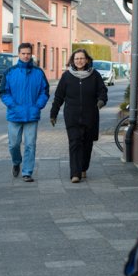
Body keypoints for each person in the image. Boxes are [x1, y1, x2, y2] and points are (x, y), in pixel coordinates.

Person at [49, 49, 108, 183]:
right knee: (74, 143)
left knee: (87, 144)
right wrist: (54, 113)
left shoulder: (94, 75)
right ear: (72, 60)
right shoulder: (67, 76)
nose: (79, 61)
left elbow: (102, 91)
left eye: (82, 58)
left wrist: (101, 101)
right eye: (76, 59)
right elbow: (59, 96)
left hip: (90, 115)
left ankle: (83, 168)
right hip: (72, 116)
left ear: (87, 60)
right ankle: (75, 173)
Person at [0, 42, 50, 182]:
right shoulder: (10, 72)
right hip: (14, 115)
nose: (26, 56)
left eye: (28, 53)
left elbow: (45, 92)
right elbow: (3, 92)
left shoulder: (38, 73)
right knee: (13, 144)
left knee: (30, 144)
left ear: (31, 54)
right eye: (23, 53)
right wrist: (13, 106)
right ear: (19, 54)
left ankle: (27, 172)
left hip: (32, 115)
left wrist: (37, 106)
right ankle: (16, 162)